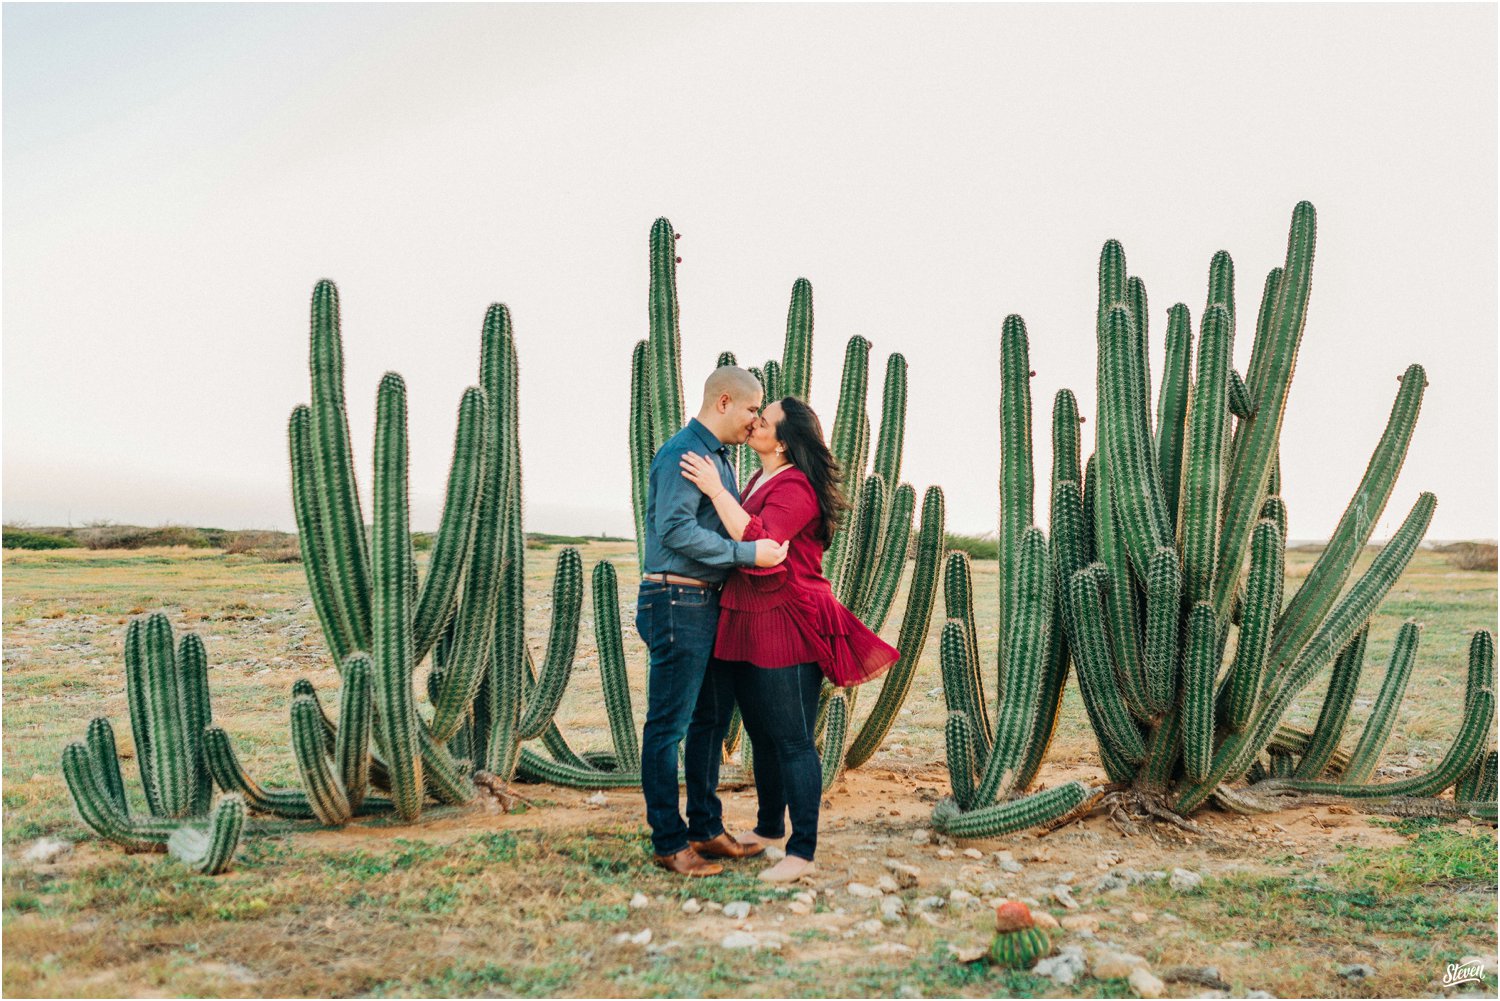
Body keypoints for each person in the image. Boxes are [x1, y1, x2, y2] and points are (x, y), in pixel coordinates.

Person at [679, 396, 899, 882]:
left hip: (786, 617)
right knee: (762, 734)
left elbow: (761, 542)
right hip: (746, 613)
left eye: (765, 418)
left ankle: (802, 852)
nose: (754, 422)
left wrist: (716, 490)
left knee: (793, 740)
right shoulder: (762, 477)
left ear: (782, 440)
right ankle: (768, 827)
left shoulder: (797, 485)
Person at [638, 366, 789, 878]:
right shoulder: (684, 452)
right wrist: (746, 553)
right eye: (752, 410)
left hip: (703, 604)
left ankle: (705, 828)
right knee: (668, 726)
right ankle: (668, 841)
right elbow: (675, 529)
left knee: (707, 723)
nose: (755, 422)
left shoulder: (719, 460)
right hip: (676, 601)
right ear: (725, 402)